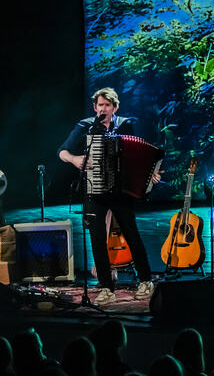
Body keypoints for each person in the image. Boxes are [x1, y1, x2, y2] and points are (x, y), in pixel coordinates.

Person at [59, 87, 161, 304]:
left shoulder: (125, 125)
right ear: (95, 107)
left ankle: (145, 280)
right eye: (100, 105)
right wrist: (76, 159)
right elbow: (63, 151)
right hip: (94, 190)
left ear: (115, 107)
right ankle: (106, 286)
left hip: (121, 191)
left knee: (132, 234)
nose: (103, 109)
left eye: (107, 105)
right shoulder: (85, 126)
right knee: (96, 238)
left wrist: (149, 173)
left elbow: (140, 155)